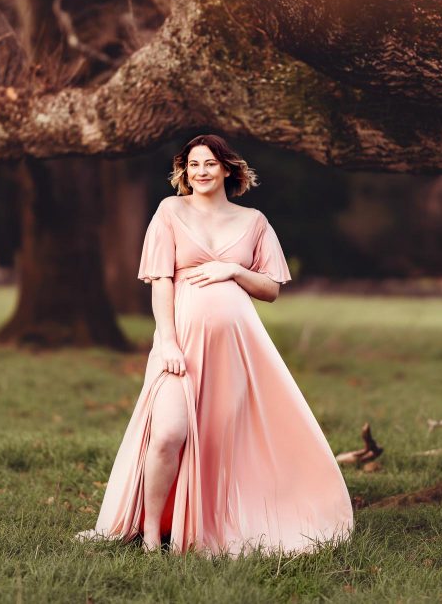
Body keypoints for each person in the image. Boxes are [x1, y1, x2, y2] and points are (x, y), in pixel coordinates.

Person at [76, 134, 353, 557]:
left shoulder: (254, 221)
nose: (200, 171)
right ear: (184, 171)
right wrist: (166, 341)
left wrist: (232, 269)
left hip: (236, 352)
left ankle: (205, 525)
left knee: (218, 441)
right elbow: (161, 281)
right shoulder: (170, 211)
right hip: (180, 344)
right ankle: (151, 533)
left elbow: (271, 288)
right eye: (193, 164)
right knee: (168, 433)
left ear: (227, 168)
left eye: (209, 163)